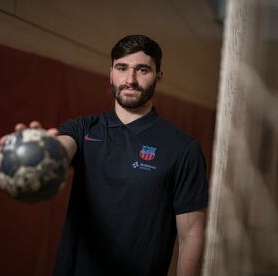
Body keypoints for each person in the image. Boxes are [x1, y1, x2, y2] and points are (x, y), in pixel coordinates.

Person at [12, 35, 208, 276]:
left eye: (142, 70)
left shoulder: (182, 148)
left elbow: (191, 235)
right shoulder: (83, 129)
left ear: (158, 77)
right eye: (122, 68)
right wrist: (38, 149)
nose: (130, 79)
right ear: (111, 73)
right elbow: (61, 150)